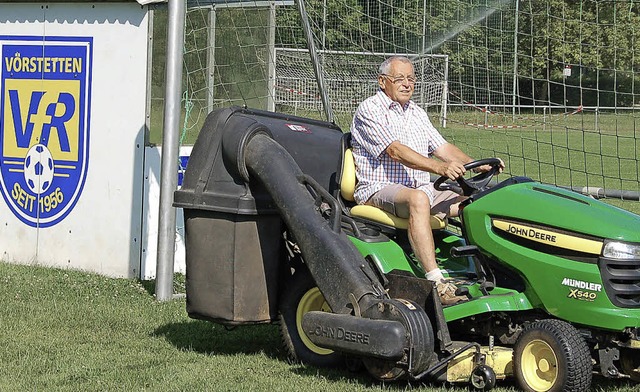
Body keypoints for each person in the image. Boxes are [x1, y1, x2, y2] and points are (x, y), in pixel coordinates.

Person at [350, 55, 504, 305]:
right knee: (419, 199)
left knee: (475, 199)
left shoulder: (416, 113)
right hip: (378, 190)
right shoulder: (370, 109)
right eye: (399, 79)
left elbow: (442, 148)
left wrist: (480, 163)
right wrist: (439, 168)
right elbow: (395, 151)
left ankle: (489, 270)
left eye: (411, 79)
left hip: (420, 189)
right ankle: (437, 282)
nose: (407, 84)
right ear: (382, 81)